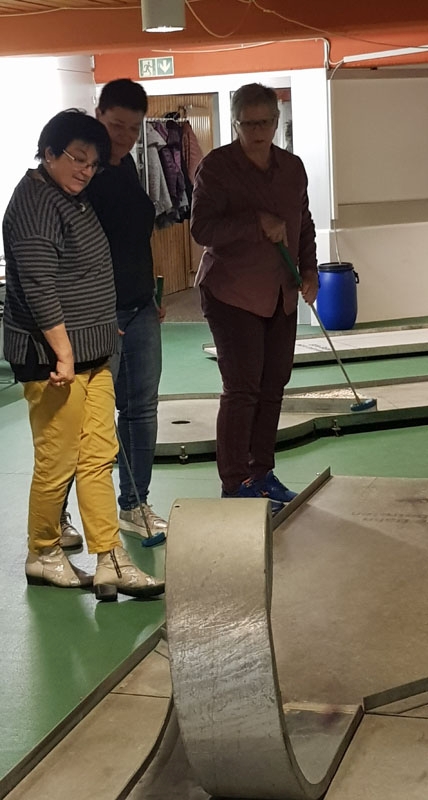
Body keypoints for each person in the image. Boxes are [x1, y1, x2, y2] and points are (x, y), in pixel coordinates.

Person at [2, 109, 164, 600]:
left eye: (92, 163)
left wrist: (99, 323)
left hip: (92, 352)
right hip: (53, 361)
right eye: (77, 159)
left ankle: (110, 559)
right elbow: (39, 287)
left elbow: (85, 272)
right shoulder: (33, 204)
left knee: (97, 457)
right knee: (58, 460)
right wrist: (65, 354)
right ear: (49, 152)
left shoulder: (72, 197)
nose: (85, 170)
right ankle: (43, 552)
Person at [190, 83, 319, 513]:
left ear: (277, 122)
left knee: (273, 384)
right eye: (248, 124)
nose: (257, 132)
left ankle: (261, 473)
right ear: (235, 123)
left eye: (264, 123)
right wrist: (254, 222)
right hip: (233, 294)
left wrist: (310, 271)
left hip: (281, 293)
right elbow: (202, 230)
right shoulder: (216, 168)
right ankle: (234, 483)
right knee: (243, 388)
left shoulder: (292, 168)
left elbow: (303, 223)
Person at [61, 79, 167, 547]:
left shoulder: (129, 168)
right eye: (115, 125)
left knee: (141, 410)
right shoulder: (83, 177)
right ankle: (57, 515)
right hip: (97, 316)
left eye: (133, 128)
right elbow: (72, 255)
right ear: (98, 115)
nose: (124, 136)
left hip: (140, 308)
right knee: (84, 420)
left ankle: (135, 504)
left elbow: (133, 238)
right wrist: (98, 311)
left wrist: (152, 290)